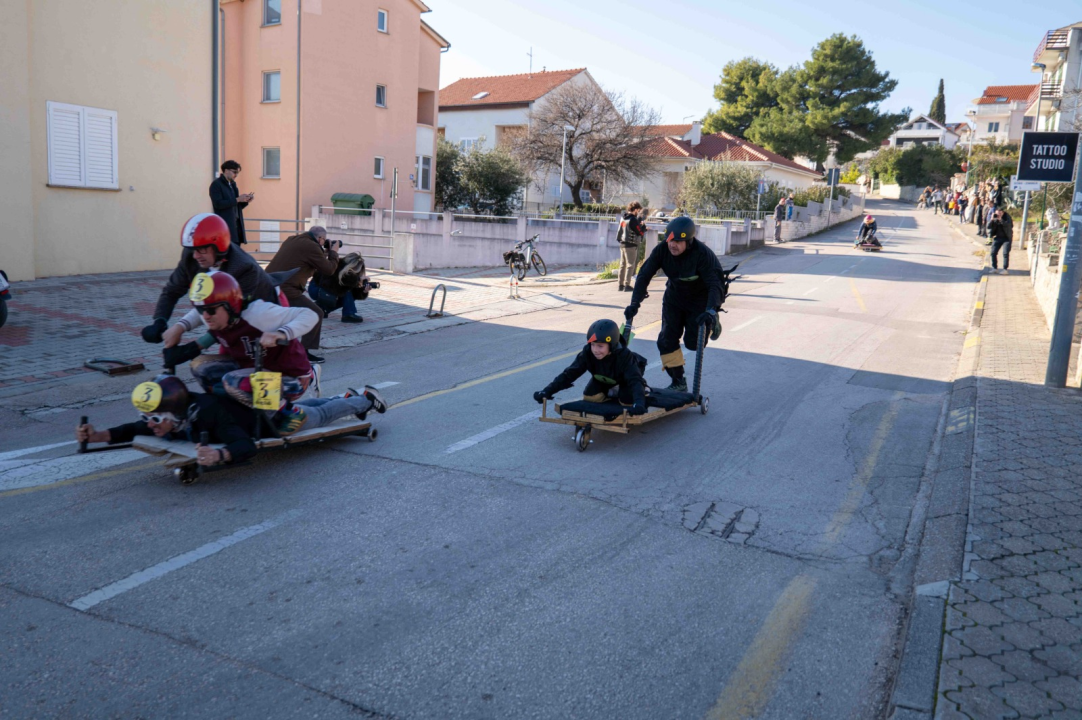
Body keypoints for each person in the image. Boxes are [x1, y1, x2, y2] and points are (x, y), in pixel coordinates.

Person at [76, 375, 388, 464]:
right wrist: (98, 435)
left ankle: (365, 400)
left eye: (155, 418)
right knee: (311, 406)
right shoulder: (174, 417)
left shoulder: (209, 415)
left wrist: (220, 454)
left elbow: (247, 446)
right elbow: (134, 428)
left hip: (272, 421)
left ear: (172, 414)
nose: (151, 425)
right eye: (148, 418)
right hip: (264, 407)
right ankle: (348, 399)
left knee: (316, 416)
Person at [162, 271, 320, 434]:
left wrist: (282, 333)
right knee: (200, 366)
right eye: (202, 310)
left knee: (232, 381)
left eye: (211, 310)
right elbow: (201, 309)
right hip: (254, 372)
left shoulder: (257, 314)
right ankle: (234, 411)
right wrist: (179, 327)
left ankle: (288, 412)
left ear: (230, 305)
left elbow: (309, 314)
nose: (206, 316)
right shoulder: (217, 313)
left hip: (291, 379)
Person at [143, 213, 278, 346]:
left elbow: (230, 317)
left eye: (201, 249)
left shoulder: (244, 268)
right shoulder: (191, 256)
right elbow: (172, 290)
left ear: (218, 245)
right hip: (231, 318)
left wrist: (193, 346)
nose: (195, 256)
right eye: (193, 249)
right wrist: (160, 321)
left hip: (264, 310)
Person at [623, 216, 723, 393]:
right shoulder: (662, 250)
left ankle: (713, 320)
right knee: (666, 340)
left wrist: (710, 309)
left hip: (701, 300)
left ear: (688, 241)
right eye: (669, 240)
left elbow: (715, 284)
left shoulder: (702, 254)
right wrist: (634, 303)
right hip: (674, 297)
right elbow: (644, 274)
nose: (672, 245)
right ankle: (678, 381)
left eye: (677, 241)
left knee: (693, 343)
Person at [533, 319, 647, 414]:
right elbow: (570, 374)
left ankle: (643, 389)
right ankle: (613, 391)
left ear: (611, 345)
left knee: (627, 401)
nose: (595, 350)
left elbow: (635, 380)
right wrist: (547, 391)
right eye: (593, 345)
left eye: (600, 346)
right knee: (591, 397)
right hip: (604, 379)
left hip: (625, 380)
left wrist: (639, 402)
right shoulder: (588, 353)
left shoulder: (624, 356)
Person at [264, 226, 341, 362]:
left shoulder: (292, 239)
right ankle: (304, 353)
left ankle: (284, 349)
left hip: (267, 285)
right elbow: (329, 269)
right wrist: (333, 252)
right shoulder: (312, 247)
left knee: (287, 317)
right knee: (316, 313)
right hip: (285, 289)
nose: (324, 243)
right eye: (323, 241)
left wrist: (324, 251)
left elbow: (310, 260)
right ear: (320, 238)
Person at [308, 252, 372, 324]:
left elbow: (351, 293)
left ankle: (321, 309)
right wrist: (357, 279)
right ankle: (348, 314)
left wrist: (364, 291)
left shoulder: (350, 275)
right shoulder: (337, 265)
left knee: (347, 292)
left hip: (326, 291)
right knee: (345, 291)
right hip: (316, 288)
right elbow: (331, 284)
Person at [209, 160, 252, 246]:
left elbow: (235, 206)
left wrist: (246, 201)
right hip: (225, 228)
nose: (236, 175)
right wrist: (238, 199)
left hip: (236, 227)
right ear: (226, 170)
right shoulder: (216, 184)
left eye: (237, 173)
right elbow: (218, 204)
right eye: (234, 172)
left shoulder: (233, 185)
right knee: (227, 256)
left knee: (235, 255)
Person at [617, 202, 646, 291]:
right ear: (635, 209)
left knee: (622, 265)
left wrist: (620, 240)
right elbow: (639, 232)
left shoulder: (623, 218)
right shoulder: (633, 219)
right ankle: (627, 285)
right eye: (638, 210)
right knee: (630, 265)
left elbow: (619, 231)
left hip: (622, 244)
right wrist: (643, 227)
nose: (639, 212)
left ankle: (620, 285)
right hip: (631, 245)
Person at [988, 209, 1013, 275]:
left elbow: (1008, 225)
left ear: (1003, 212)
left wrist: (1000, 219)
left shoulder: (1007, 217)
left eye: (1000, 213)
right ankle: (994, 268)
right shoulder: (995, 218)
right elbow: (988, 226)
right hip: (998, 237)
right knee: (993, 252)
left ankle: (1005, 269)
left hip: (1007, 238)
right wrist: (992, 219)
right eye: (997, 213)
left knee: (1005, 253)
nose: (998, 214)